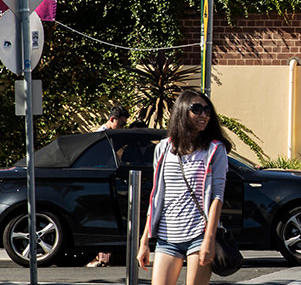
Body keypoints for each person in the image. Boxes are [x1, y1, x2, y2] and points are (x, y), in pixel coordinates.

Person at [137, 91, 231, 285]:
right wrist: (144, 241)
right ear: (181, 111)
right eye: (197, 109)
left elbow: (217, 197)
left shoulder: (214, 149)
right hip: (167, 236)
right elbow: (156, 197)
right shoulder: (163, 148)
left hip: (199, 234)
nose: (203, 115)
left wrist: (209, 239)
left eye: (207, 110)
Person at [88, 105, 130, 267]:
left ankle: (103, 257)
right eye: (121, 124)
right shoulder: (100, 137)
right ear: (112, 120)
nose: (122, 128)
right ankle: (100, 257)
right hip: (100, 181)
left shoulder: (110, 136)